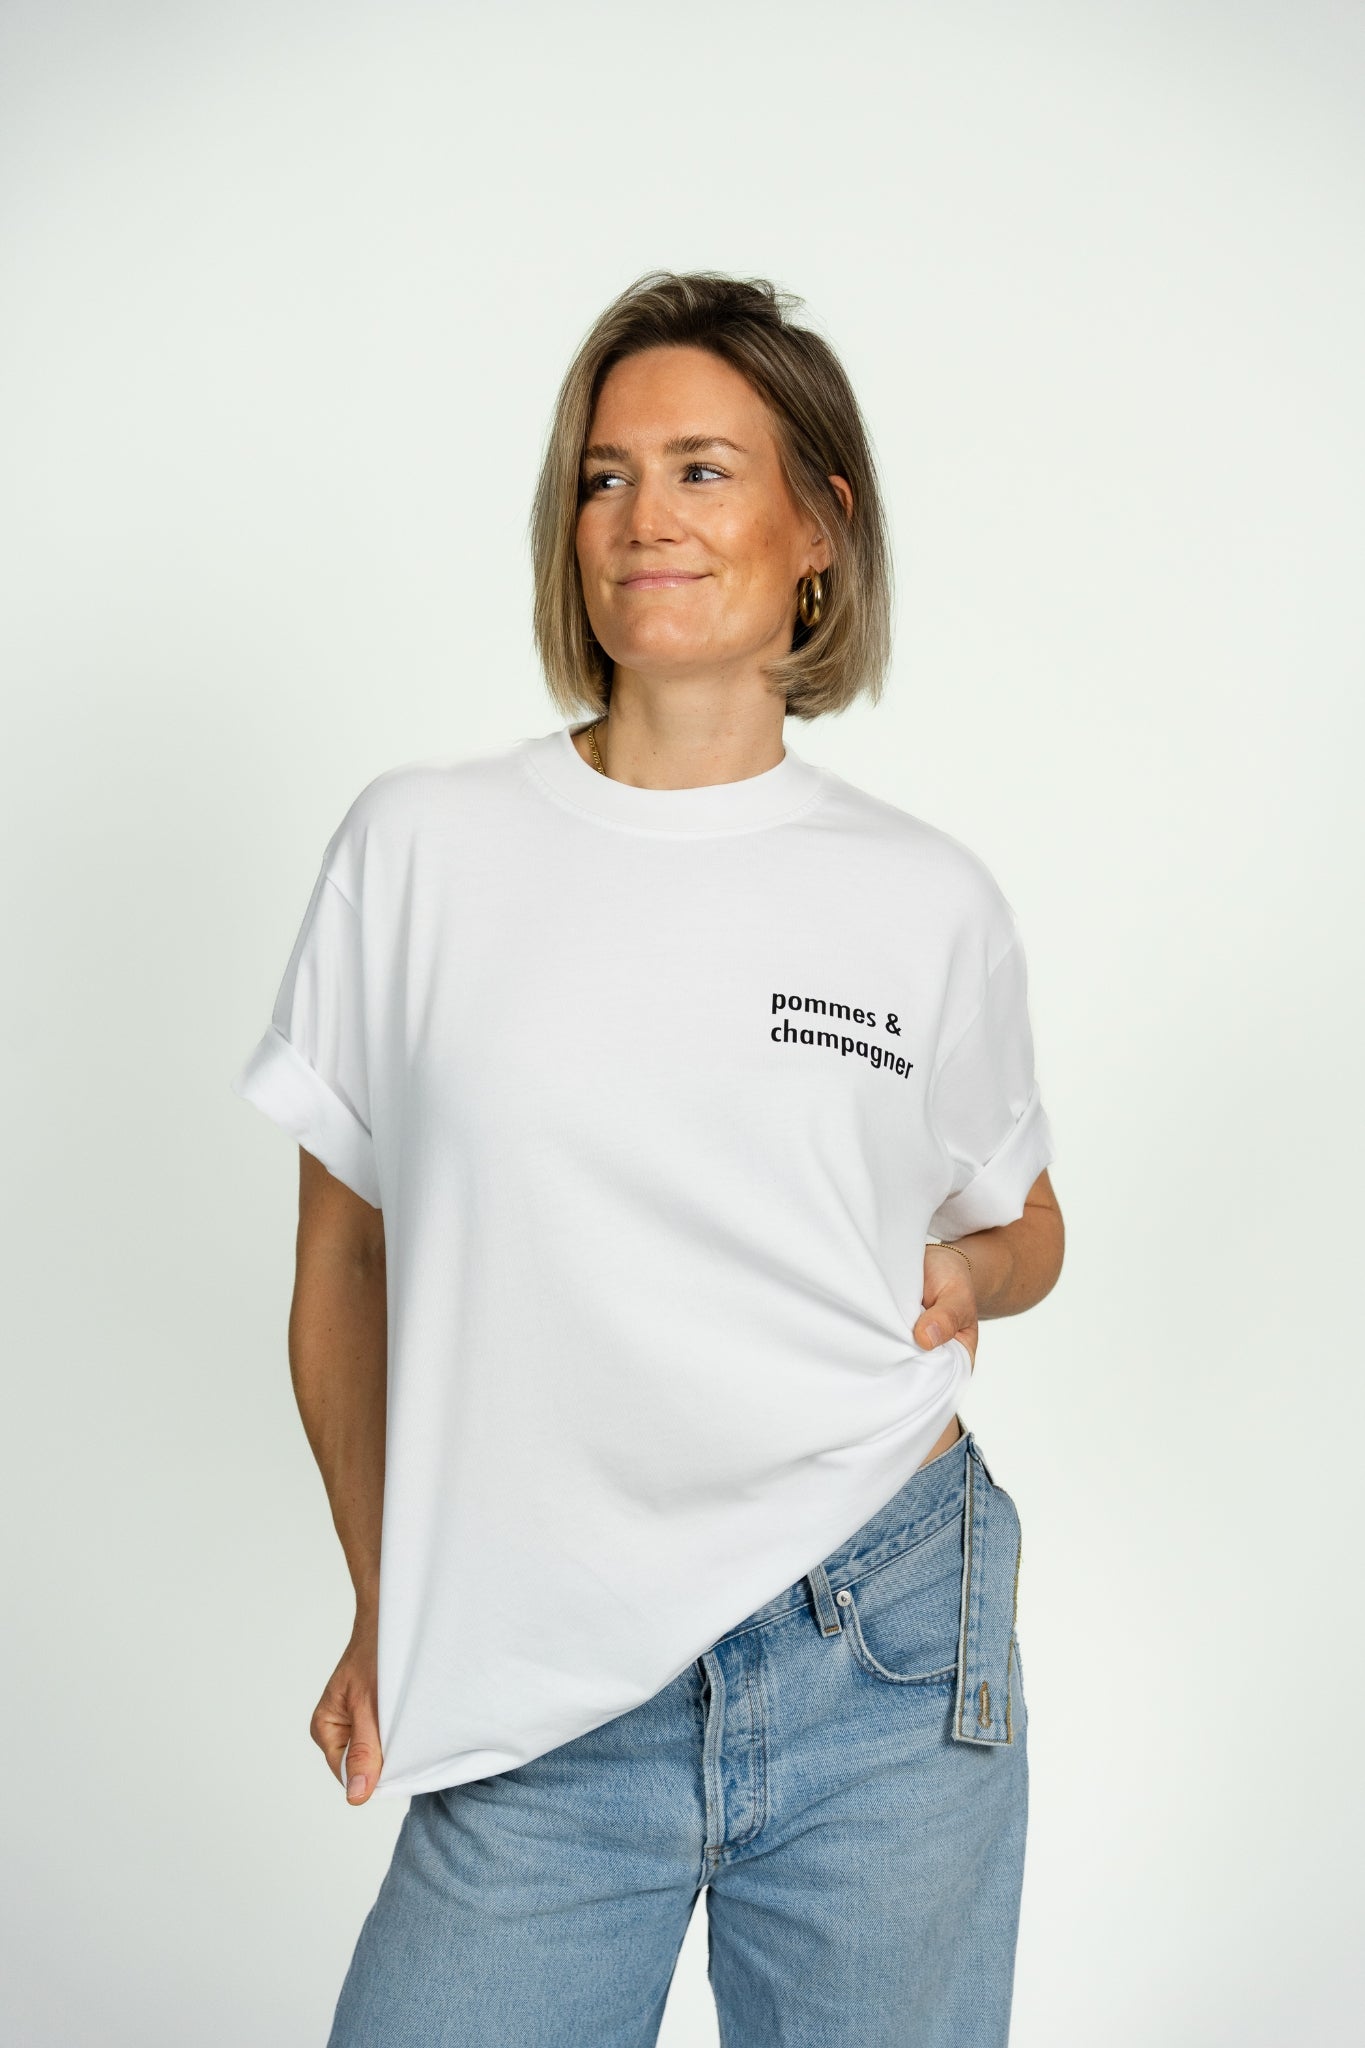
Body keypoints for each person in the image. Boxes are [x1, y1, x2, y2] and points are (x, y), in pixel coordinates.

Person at [230, 268, 1065, 2048]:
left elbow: (1030, 1224)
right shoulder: (421, 850)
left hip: (880, 1632)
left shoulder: (924, 899)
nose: (641, 518)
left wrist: (970, 1272)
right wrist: (394, 1606)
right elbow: (340, 1268)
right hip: (536, 1682)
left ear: (817, 526)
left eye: (701, 469)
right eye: (605, 476)